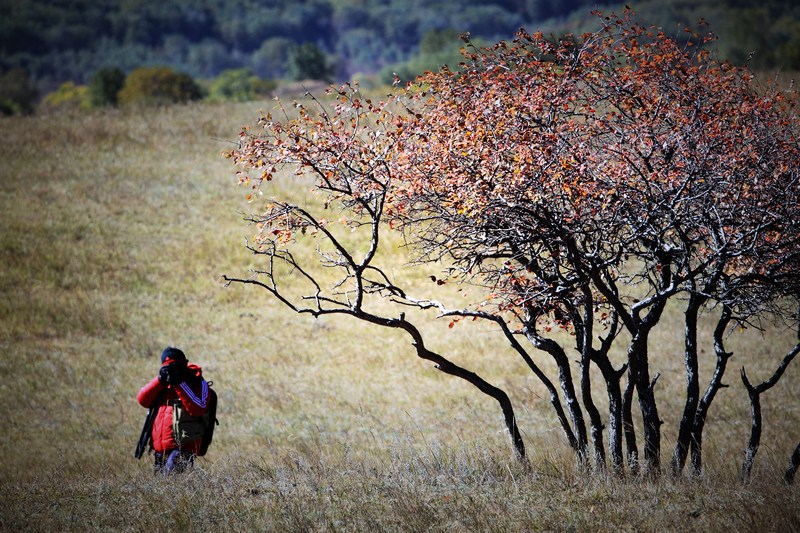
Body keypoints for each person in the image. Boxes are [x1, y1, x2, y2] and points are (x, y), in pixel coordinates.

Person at [137, 346, 210, 474]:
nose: (172, 371)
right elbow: (142, 399)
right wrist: (159, 380)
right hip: (160, 450)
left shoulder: (197, 382)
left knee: (170, 481)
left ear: (185, 364)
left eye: (175, 366)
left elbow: (198, 409)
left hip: (183, 449)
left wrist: (179, 384)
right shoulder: (163, 385)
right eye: (168, 367)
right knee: (161, 491)